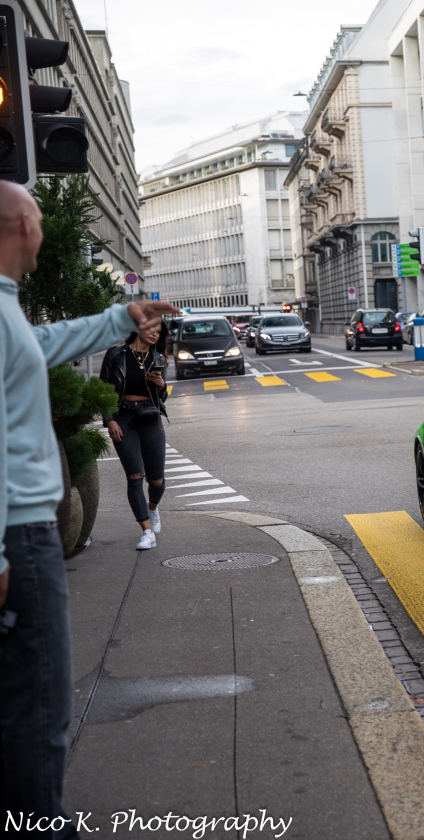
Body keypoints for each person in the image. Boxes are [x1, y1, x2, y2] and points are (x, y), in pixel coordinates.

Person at [1, 179, 177, 839]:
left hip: (22, 531)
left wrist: (118, 319)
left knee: (27, 698)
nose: (44, 231)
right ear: (20, 224)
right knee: (39, 700)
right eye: (40, 220)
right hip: (18, 535)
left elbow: (40, 346)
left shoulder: (6, 307)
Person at [99, 324, 169, 550]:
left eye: (158, 331)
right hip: (124, 419)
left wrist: (162, 385)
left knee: (157, 481)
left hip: (150, 418)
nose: (154, 333)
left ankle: (153, 507)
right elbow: (104, 389)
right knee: (135, 477)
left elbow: (162, 398)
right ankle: (147, 532)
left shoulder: (158, 358)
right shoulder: (116, 354)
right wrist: (109, 420)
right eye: (150, 328)